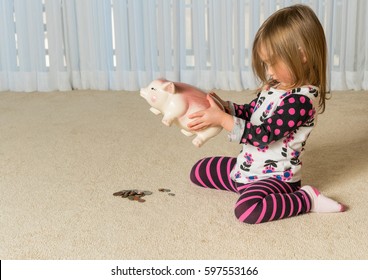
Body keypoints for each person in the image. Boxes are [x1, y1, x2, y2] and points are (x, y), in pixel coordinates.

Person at [187, 4, 346, 224]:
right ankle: (246, 184)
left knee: (247, 211)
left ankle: (306, 199)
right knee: (199, 171)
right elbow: (253, 113)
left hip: (277, 177)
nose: (268, 71)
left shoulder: (300, 101)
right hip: (249, 167)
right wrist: (227, 108)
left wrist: (224, 121)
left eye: (272, 63)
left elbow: (263, 135)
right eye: (265, 63)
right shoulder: (275, 86)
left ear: (301, 55)